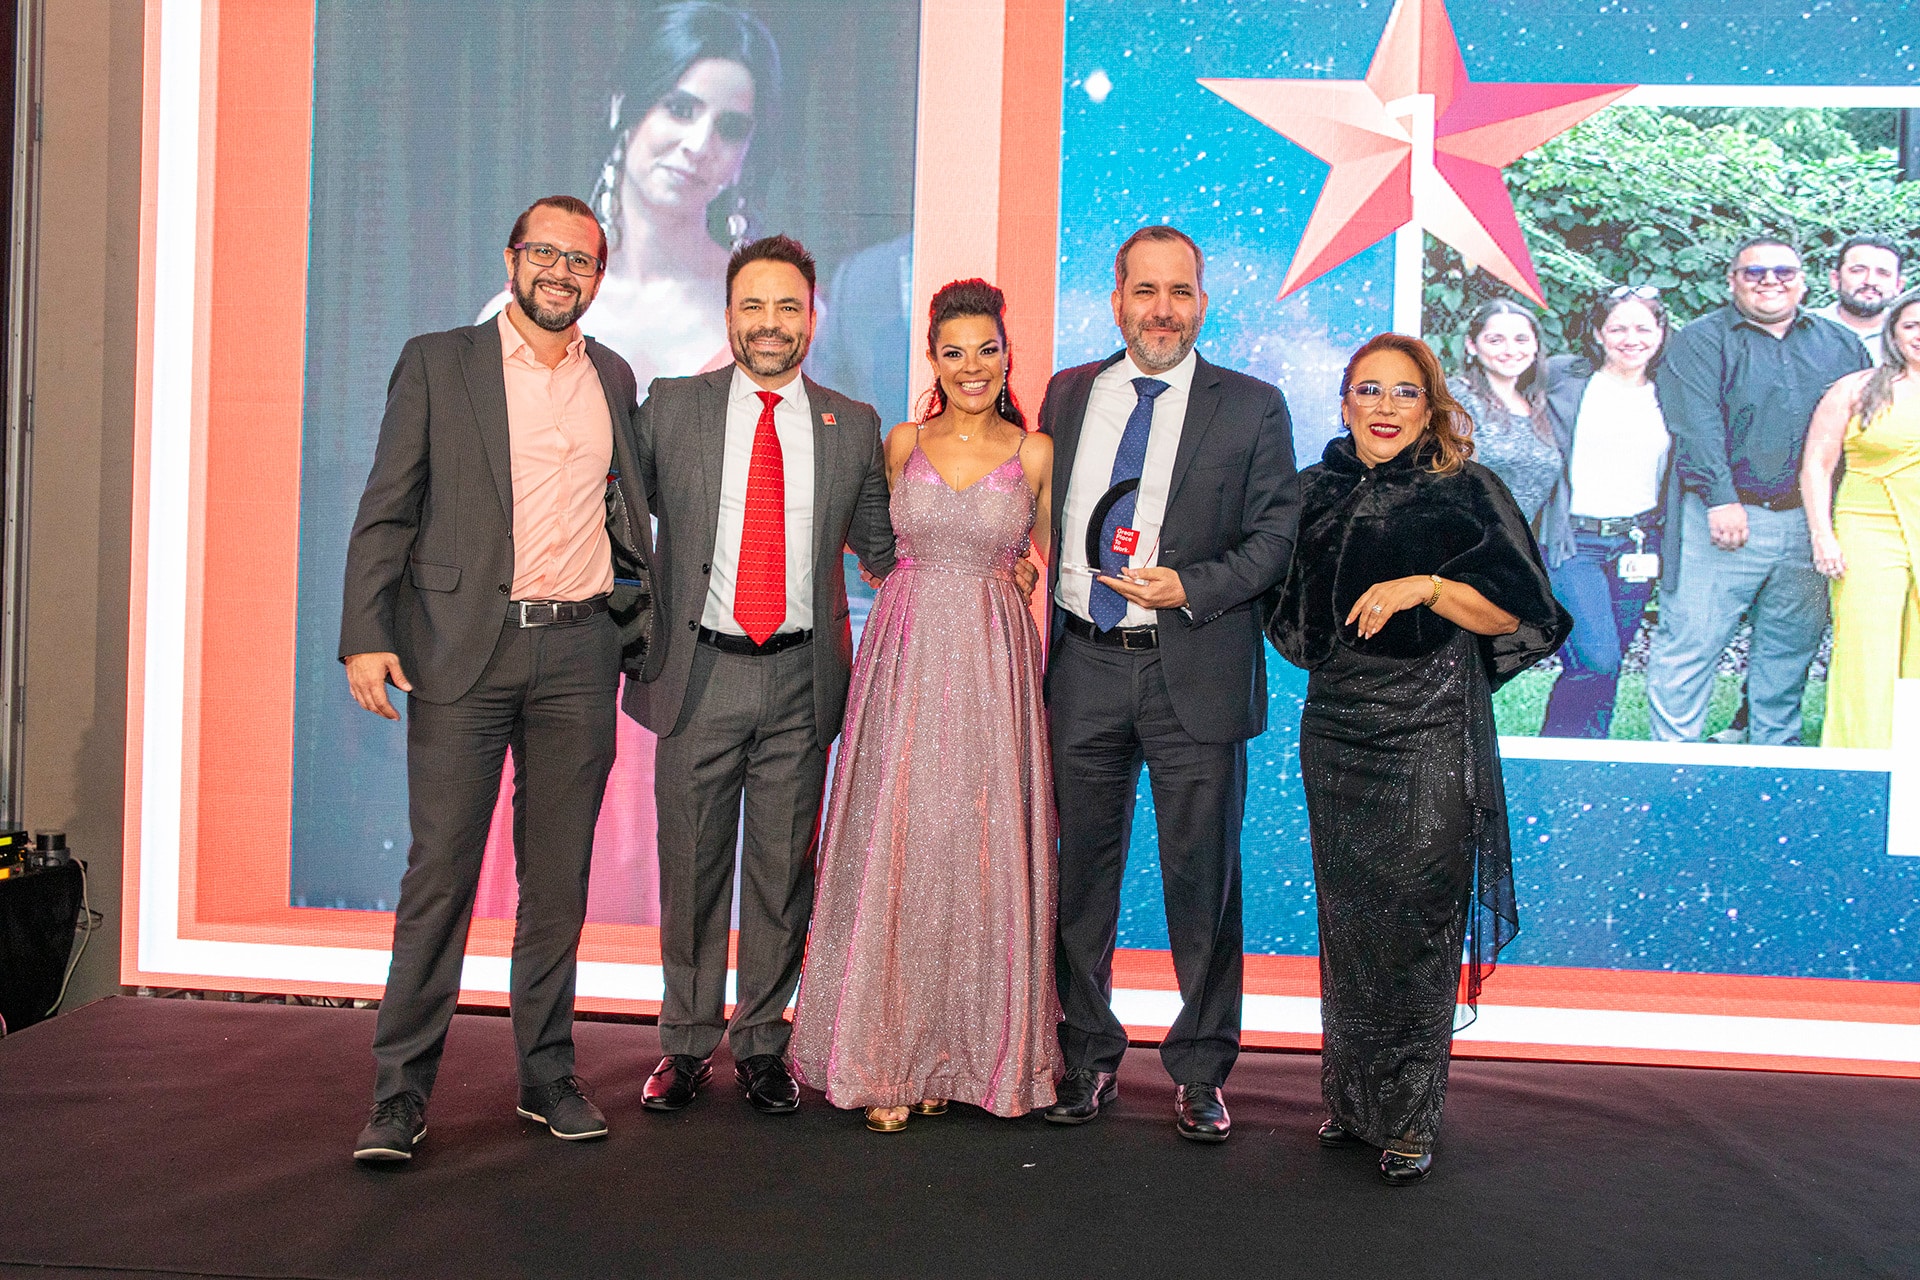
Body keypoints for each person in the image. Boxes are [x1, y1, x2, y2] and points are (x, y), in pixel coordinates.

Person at [341, 196, 654, 1162]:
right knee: (439, 876)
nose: (561, 272)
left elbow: (626, 511)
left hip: (578, 654)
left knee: (557, 881)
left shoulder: (613, 374)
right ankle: (399, 1095)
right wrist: (365, 633)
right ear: (512, 259)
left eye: (581, 260)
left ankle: (547, 1075)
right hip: (460, 651)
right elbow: (388, 506)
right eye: (545, 253)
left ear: (599, 277)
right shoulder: (440, 362)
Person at [1267, 333, 1568, 1185]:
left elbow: (1517, 617)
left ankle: (1408, 1116)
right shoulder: (1310, 492)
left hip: (1431, 721)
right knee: (1353, 918)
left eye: (1405, 391)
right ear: (1345, 402)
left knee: (1419, 914)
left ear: (1430, 404)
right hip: (1337, 727)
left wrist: (1427, 587)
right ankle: (1352, 1102)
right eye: (1370, 390)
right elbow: (1265, 593)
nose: (1385, 406)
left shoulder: (1467, 490)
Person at [620, 234, 899, 1117]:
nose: (770, 324)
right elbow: (612, 512)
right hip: (698, 673)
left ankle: (763, 1044)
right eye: (753, 305)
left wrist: (997, 559)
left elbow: (885, 548)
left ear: (812, 318)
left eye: (787, 306)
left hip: (800, 683)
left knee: (782, 878)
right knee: (692, 869)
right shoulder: (671, 407)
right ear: (728, 314)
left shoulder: (853, 424)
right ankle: (685, 1043)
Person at [1039, 225, 1300, 1143]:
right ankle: (1085, 1056)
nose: (1162, 310)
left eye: (1179, 292)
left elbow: (1275, 539)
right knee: (1080, 877)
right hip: (1082, 668)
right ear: (1116, 299)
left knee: (1203, 881)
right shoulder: (1069, 393)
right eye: (1144, 291)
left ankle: (1200, 1071)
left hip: (1194, 666)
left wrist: (1190, 586)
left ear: (1203, 302)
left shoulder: (1253, 406)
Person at [789, 280, 1061, 1131]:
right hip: (904, 663)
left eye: (987, 349)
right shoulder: (901, 442)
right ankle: (889, 1058)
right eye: (954, 351)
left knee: (975, 847)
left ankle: (961, 1054)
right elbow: (870, 538)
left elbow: (1054, 561)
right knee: (899, 844)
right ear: (933, 361)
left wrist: (1020, 570)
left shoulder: (1037, 451)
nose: (972, 366)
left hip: (990, 665)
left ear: (1007, 356)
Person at [1645, 237, 1871, 745]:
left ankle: (1775, 753)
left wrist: (1831, 525)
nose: (1771, 281)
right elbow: (1694, 424)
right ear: (1733, 282)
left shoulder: (1840, 345)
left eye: (1783, 271)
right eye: (1755, 272)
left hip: (1809, 524)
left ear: (1803, 281)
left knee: (1789, 650)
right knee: (1692, 642)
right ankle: (1671, 760)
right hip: (1724, 516)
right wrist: (1721, 499)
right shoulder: (1700, 341)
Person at [480, 3, 781, 384]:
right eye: (680, 109)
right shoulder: (514, 318)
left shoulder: (782, 317)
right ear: (621, 106)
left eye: (730, 128)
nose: (699, 144)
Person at [1535, 287, 1672, 738]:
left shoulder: (1672, 389)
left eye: (1643, 328)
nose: (1631, 339)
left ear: (1661, 332)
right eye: (1618, 328)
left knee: (1608, 663)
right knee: (1596, 659)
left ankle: (1588, 756)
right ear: (1598, 333)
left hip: (1637, 543)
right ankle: (1558, 750)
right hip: (1573, 541)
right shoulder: (1563, 378)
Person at [1801, 288, 1920, 748]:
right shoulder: (1856, 387)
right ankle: (1859, 761)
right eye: (1911, 325)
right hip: (1868, 526)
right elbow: (1817, 464)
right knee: (1866, 649)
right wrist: (1822, 536)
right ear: (1893, 332)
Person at [1447, 298, 1561, 532]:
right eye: (1495, 340)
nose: (1510, 350)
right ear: (1472, 345)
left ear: (1536, 345)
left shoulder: (1538, 406)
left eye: (1521, 339)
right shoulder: (1456, 398)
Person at [1812, 235, 1905, 367]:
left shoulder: (1910, 337)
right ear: (1835, 279)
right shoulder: (1802, 329)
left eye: (1883, 273)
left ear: (1899, 285)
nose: (1870, 281)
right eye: (1858, 271)